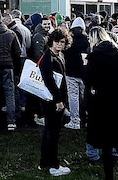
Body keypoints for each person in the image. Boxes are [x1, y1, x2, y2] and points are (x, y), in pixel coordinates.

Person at [83, 27, 118, 180]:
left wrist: (85, 65)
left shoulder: (94, 56)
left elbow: (88, 80)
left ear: (93, 38)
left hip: (103, 102)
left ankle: (109, 177)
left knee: (106, 143)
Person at [37, 28, 72, 177]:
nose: (59, 44)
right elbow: (49, 80)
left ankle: (44, 162)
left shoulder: (58, 55)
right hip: (52, 100)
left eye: (62, 42)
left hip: (55, 99)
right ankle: (53, 165)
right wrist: (58, 100)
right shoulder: (48, 57)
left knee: (49, 132)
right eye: (57, 41)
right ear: (52, 41)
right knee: (53, 133)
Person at [62, 17, 89, 130]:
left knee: (73, 98)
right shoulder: (87, 40)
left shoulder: (68, 40)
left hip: (70, 73)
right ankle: (87, 119)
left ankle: (75, 121)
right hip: (84, 73)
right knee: (86, 97)